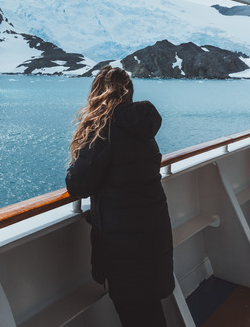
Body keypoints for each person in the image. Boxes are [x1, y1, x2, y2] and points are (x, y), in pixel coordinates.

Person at [65, 65, 174, 326]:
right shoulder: (141, 129)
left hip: (124, 245)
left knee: (133, 311)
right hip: (153, 233)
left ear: (98, 93)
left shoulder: (104, 131)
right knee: (149, 308)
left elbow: (77, 185)